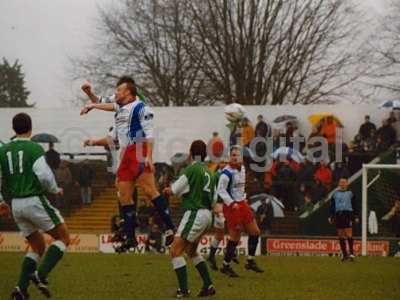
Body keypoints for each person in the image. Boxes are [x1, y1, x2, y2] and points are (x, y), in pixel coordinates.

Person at [81, 77, 175, 248]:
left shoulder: (139, 107)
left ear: (129, 93)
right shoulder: (119, 109)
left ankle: (170, 227)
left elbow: (149, 132)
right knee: (123, 193)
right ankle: (130, 237)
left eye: (119, 90)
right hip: (125, 154)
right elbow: (103, 107)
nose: (115, 93)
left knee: (149, 190)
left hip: (138, 149)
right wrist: (90, 95)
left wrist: (149, 156)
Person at [0, 113, 70, 299]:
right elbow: (45, 176)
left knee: (37, 246)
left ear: (14, 129)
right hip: (34, 200)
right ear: (30, 127)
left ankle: (20, 289)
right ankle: (41, 274)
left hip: (16, 205)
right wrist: (55, 189)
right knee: (63, 238)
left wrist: (1, 201)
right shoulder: (34, 148)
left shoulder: (3, 150)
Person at [163, 140, 216, 298]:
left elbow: (174, 190)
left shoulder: (192, 169)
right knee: (191, 251)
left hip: (195, 212)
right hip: (207, 215)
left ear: (191, 153)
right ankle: (208, 285)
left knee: (175, 251)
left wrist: (166, 190)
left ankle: (184, 290)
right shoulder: (209, 171)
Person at [218, 146, 264, 277]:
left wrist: (243, 197)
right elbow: (220, 190)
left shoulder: (243, 169)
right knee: (235, 237)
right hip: (232, 206)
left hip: (242, 203)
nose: (235, 157)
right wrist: (231, 203)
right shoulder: (226, 173)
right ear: (229, 157)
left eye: (237, 155)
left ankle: (250, 261)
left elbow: (240, 188)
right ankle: (225, 266)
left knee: (255, 232)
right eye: (232, 155)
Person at [328, 178, 359, 262]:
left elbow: (355, 205)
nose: (342, 184)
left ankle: (352, 253)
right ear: (339, 184)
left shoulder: (351, 193)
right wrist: (331, 216)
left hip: (348, 214)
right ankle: (345, 254)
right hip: (338, 215)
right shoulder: (335, 194)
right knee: (340, 235)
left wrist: (356, 216)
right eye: (341, 182)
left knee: (349, 233)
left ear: (347, 183)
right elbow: (332, 206)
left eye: (344, 182)